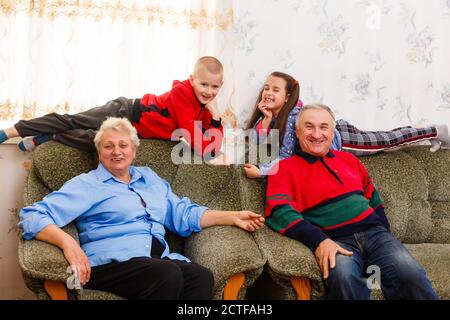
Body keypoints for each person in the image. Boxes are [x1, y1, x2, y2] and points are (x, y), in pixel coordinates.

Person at [18, 117, 264, 300]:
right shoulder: (88, 184)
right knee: (167, 274)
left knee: (200, 276)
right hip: (109, 265)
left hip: (155, 263)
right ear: (99, 152)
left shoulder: (149, 179)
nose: (117, 152)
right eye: (108, 146)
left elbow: (182, 214)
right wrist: (68, 244)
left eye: (123, 145)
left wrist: (233, 217)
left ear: (134, 151)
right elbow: (32, 215)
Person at [264, 104, 438, 299]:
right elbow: (279, 211)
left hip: (376, 236)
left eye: (323, 127)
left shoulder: (348, 160)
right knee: (344, 278)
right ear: (297, 132)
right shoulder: (283, 168)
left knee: (411, 275)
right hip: (336, 242)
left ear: (332, 132)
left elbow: (373, 197)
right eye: (309, 127)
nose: (317, 134)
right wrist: (319, 241)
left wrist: (384, 233)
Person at [0, 56, 225, 161]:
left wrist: (216, 120)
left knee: (95, 143)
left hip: (134, 130)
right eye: (204, 84)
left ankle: (50, 137)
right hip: (126, 111)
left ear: (221, 86)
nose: (208, 91)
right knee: (74, 120)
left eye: (214, 87)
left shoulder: (203, 108)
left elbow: (210, 152)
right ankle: (12, 130)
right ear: (192, 79)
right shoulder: (183, 95)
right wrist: (211, 124)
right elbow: (200, 144)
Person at [243, 71, 450, 178]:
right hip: (338, 130)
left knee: (389, 140)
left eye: (275, 90)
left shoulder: (291, 119)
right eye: (267, 88)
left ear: (287, 96)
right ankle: (431, 133)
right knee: (388, 135)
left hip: (344, 139)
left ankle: (436, 131)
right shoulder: (268, 117)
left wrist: (262, 172)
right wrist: (267, 119)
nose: (268, 93)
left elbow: (285, 158)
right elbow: (256, 147)